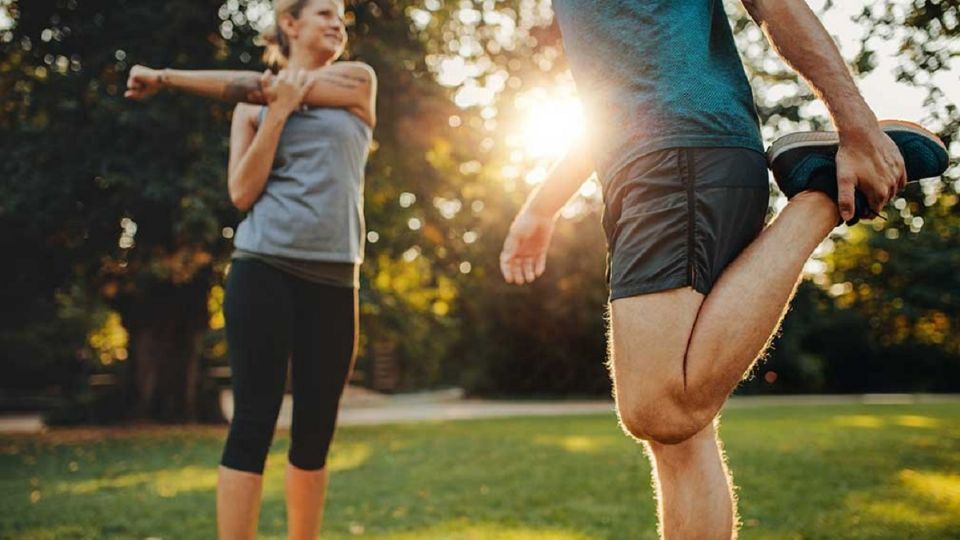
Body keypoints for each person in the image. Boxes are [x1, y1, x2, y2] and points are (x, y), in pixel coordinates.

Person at [499, 1, 948, 538]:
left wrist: (856, 128)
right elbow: (609, 104)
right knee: (679, 439)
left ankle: (819, 198)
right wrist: (541, 207)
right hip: (654, 165)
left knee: (658, 409)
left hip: (679, 157)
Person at [125, 1, 376, 538]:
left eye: (341, 17)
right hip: (263, 267)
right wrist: (278, 113)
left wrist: (170, 79)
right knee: (253, 420)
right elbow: (241, 192)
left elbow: (262, 86)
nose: (337, 23)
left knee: (315, 428)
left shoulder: (357, 81)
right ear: (290, 23)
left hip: (335, 278)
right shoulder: (251, 108)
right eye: (324, 13)